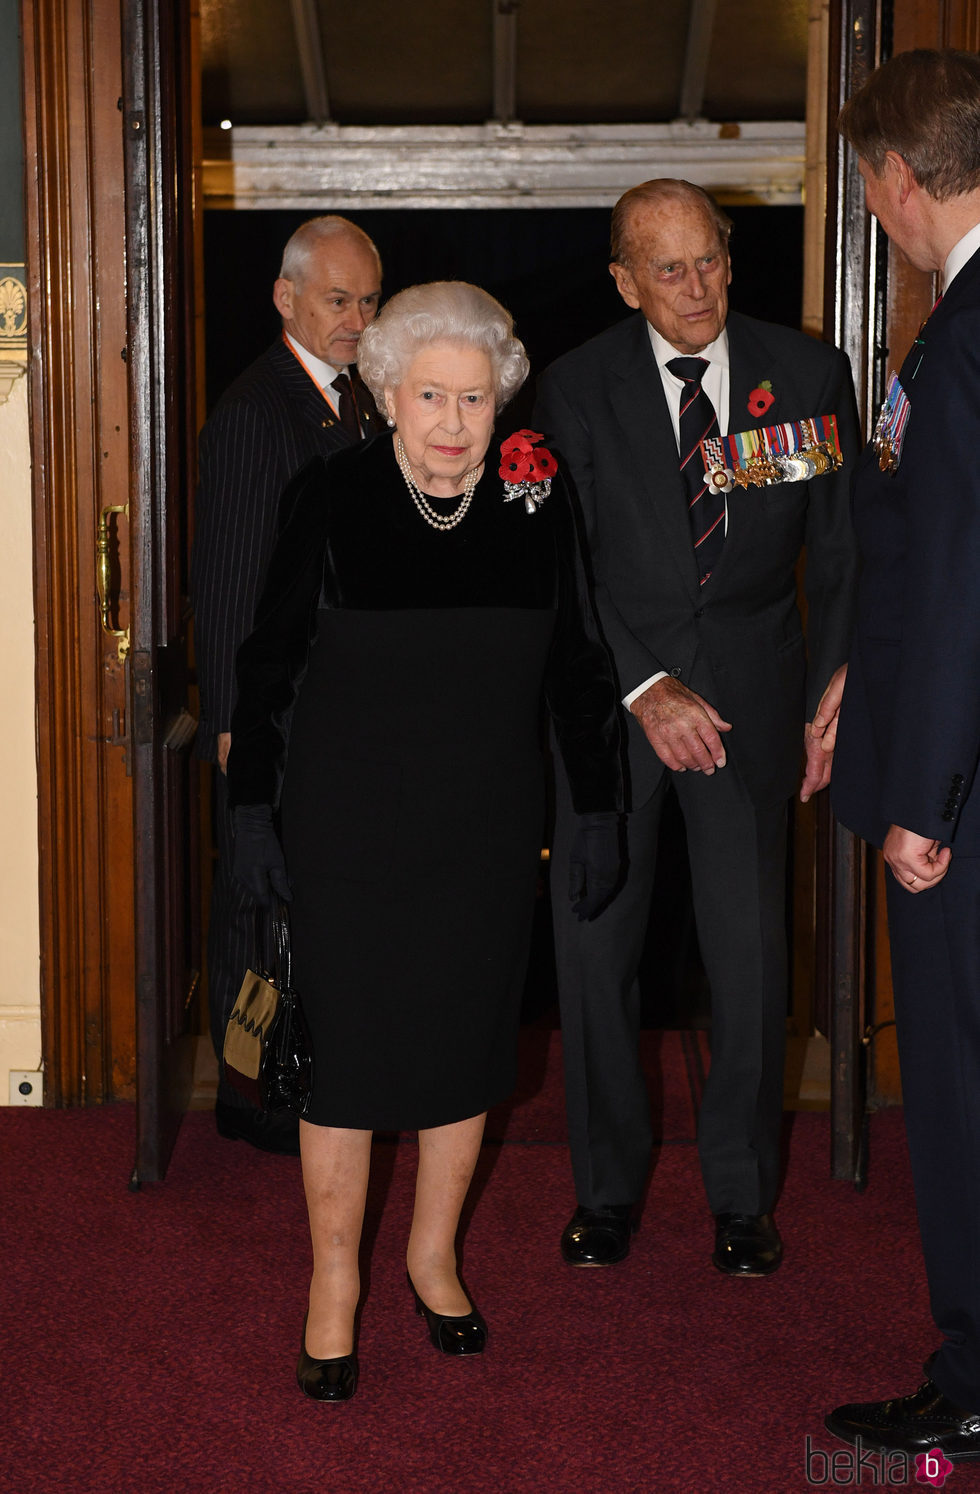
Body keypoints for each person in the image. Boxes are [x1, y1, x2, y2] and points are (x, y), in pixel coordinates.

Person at [225, 281, 624, 1401]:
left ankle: (431, 1256)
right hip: (344, 829)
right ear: (387, 396)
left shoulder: (532, 509)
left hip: (483, 832)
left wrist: (594, 809)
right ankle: (334, 1283)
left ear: (502, 403)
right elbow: (267, 668)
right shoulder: (333, 496)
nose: (453, 423)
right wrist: (251, 812)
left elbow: (579, 668)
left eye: (475, 399)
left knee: (461, 1050)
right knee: (342, 1067)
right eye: (430, 396)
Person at [535, 178, 860, 1276]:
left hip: (754, 702)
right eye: (665, 270)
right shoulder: (571, 390)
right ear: (623, 280)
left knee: (747, 955)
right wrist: (642, 686)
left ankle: (739, 1195)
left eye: (709, 259)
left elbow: (842, 551)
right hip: (616, 712)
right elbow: (561, 571)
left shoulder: (804, 374)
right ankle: (605, 1191)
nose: (695, 288)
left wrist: (831, 686)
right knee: (593, 954)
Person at [826, 49, 980, 1462]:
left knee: (954, 1079)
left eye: (870, 189)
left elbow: (963, 572)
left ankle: (975, 1372)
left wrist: (923, 796)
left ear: (893, 175)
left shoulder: (973, 322)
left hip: (967, 797)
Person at [190, 215, 383, 1155]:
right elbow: (226, 587)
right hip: (276, 712)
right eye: (337, 300)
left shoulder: (364, 402)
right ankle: (251, 1095)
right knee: (260, 903)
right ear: (286, 298)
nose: (355, 318)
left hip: (344, 713)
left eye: (368, 301)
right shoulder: (252, 412)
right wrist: (237, 729)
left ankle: (315, 1078)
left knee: (324, 901)